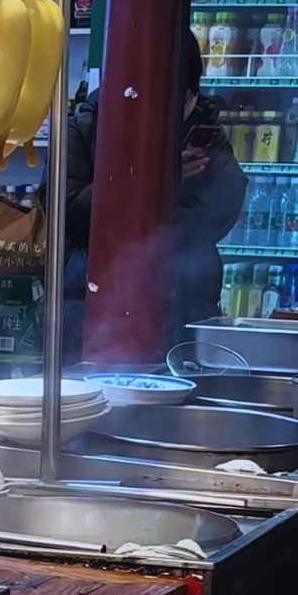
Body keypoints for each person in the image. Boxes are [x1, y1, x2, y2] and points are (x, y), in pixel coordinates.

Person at [60, 29, 248, 363]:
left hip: (182, 306)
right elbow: (69, 214)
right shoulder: (85, 127)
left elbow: (216, 217)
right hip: (92, 302)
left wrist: (166, 188)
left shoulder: (205, 135)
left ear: (190, 95)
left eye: (177, 99)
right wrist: (158, 178)